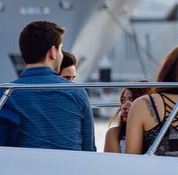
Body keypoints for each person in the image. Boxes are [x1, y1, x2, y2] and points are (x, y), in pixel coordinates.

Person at [1, 21, 95, 150]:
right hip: (70, 168)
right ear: (53, 52)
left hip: (20, 168)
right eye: (60, 48)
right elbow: (89, 149)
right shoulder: (76, 93)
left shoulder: (4, 94)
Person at [103, 85, 149, 153]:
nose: (124, 106)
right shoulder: (114, 134)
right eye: (123, 100)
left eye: (131, 100)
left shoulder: (155, 134)